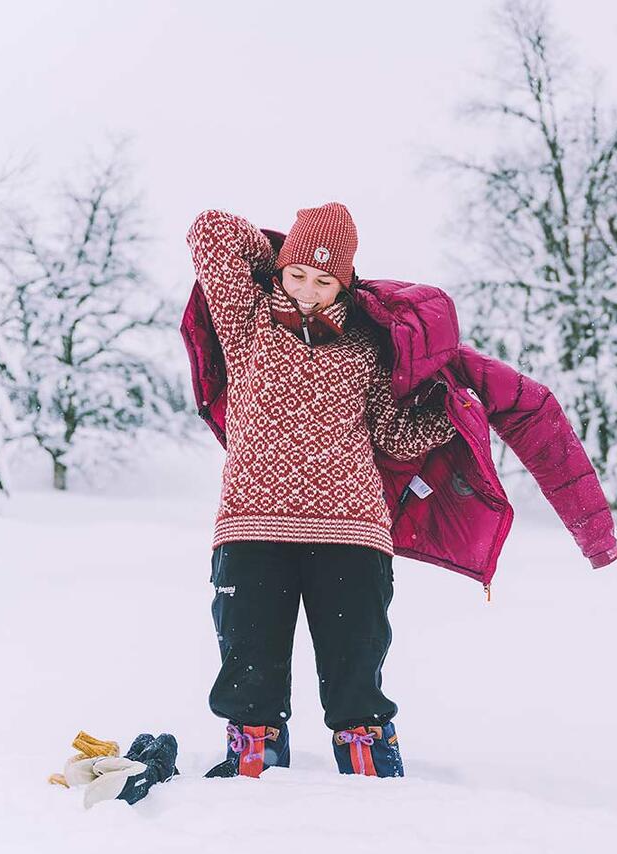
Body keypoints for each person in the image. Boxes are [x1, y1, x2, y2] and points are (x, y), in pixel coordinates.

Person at [185, 202, 457, 779]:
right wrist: (272, 256)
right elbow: (208, 229)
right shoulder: (247, 319)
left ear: (347, 281)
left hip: (352, 526)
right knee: (248, 656)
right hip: (252, 520)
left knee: (355, 658)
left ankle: (366, 755)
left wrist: (446, 415)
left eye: (325, 279)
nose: (309, 291)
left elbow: (393, 434)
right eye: (298, 274)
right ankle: (253, 749)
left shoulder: (366, 342)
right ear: (280, 270)